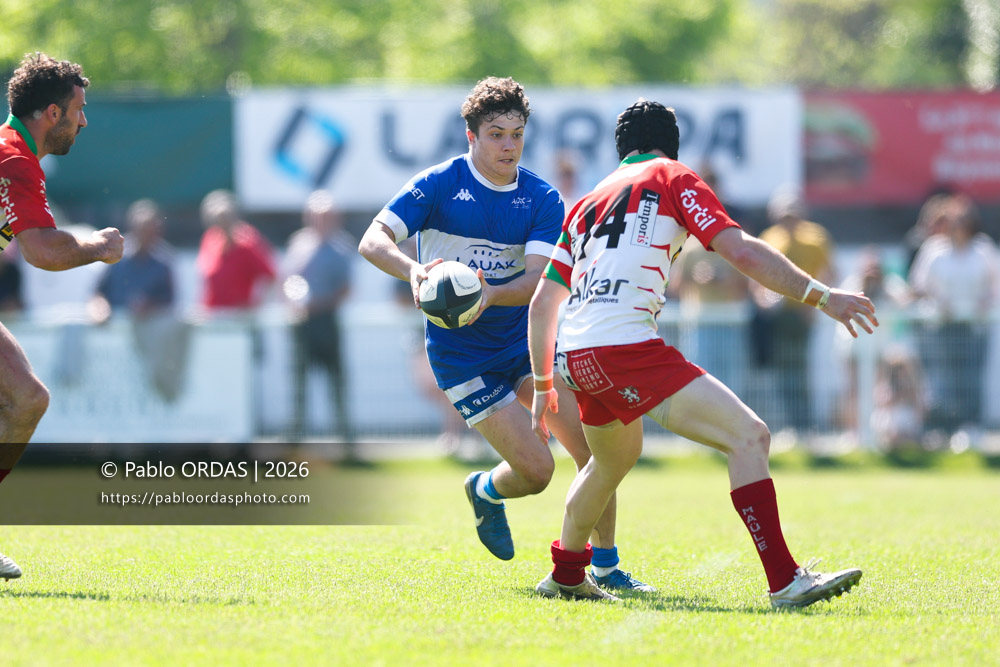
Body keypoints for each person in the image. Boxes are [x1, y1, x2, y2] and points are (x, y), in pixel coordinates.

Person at [528, 99, 877, 605]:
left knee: (609, 463)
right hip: (624, 347)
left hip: (576, 354)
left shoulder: (588, 201)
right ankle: (785, 580)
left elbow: (543, 303)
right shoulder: (672, 175)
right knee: (749, 436)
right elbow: (741, 250)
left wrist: (544, 385)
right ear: (671, 144)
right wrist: (824, 296)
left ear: (622, 150)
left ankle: (565, 575)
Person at [358, 77, 651, 591]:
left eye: (517, 134)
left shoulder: (540, 197)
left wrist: (489, 294)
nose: (508, 146)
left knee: (595, 452)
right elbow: (372, 239)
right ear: (471, 136)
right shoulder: (438, 184)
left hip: (525, 345)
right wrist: (414, 271)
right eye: (496, 134)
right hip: (461, 357)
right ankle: (486, 490)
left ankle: (606, 567)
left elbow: (539, 280)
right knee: (537, 472)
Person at [0, 53, 124, 579]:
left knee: (27, 399)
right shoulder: (13, 159)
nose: (85, 121)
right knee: (25, 399)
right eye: (79, 109)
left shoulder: (12, 152)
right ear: (52, 113)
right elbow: (43, 251)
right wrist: (99, 246)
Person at [908, 194, 998, 435]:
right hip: (942, 327)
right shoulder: (933, 250)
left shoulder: (984, 249)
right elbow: (918, 286)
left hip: (975, 327)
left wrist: (985, 302)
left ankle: (970, 428)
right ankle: (945, 428)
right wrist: (938, 302)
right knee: (943, 379)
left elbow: (995, 285)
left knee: (971, 378)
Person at [751, 186, 835, 433]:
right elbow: (756, 275)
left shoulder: (816, 238)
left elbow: (828, 273)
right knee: (781, 371)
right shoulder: (769, 237)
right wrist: (763, 301)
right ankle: (791, 425)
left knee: (799, 369)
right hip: (776, 317)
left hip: (802, 315)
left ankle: (804, 426)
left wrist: (817, 305)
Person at [89, 198, 189, 402]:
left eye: (149, 229)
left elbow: (170, 302)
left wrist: (148, 308)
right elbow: (99, 292)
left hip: (147, 342)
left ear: (157, 231)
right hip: (112, 344)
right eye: (141, 229)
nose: (145, 234)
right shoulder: (116, 258)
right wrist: (100, 308)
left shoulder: (165, 262)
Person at [282, 189, 355, 445]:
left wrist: (318, 305)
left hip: (326, 321)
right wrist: (295, 302)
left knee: (336, 380)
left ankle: (344, 437)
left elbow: (345, 288)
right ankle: (296, 434)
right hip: (301, 322)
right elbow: (288, 279)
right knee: (298, 380)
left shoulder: (342, 247)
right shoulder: (298, 243)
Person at [196, 189, 275, 312]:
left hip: (239, 317)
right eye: (217, 220)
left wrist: (257, 306)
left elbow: (270, 277)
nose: (222, 224)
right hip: (213, 315)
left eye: (225, 218)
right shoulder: (209, 239)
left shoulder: (247, 242)